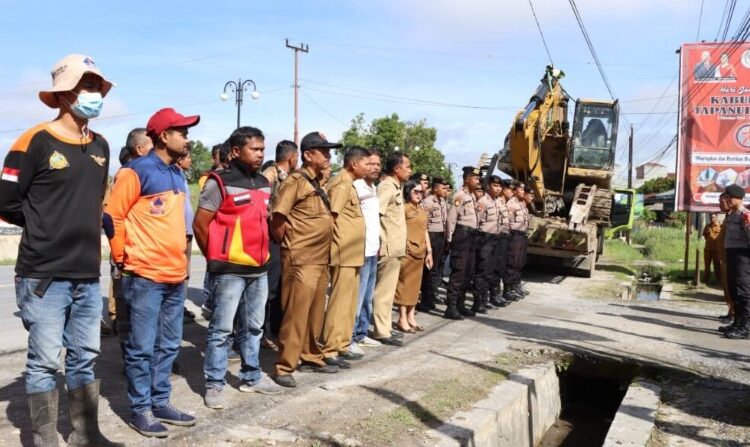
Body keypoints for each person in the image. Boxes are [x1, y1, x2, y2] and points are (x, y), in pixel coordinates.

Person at [0, 54, 122, 447]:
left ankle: (87, 435)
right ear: (65, 94)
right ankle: (46, 439)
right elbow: (6, 199)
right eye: (86, 86)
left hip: (87, 273)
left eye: (97, 87)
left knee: (85, 357)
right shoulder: (34, 140)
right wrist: (43, 225)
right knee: (44, 363)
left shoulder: (101, 145)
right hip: (44, 275)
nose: (95, 95)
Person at [107, 107, 199, 437]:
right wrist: (122, 259)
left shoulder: (176, 172)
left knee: (168, 346)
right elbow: (113, 218)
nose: (187, 138)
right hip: (144, 276)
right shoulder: (136, 171)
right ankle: (140, 409)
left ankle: (161, 401)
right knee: (141, 347)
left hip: (175, 276)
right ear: (163, 136)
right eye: (182, 132)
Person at [193, 126, 282, 409]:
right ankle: (215, 384)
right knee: (221, 330)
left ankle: (252, 376)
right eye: (254, 149)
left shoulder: (263, 183)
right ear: (235, 151)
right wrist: (216, 256)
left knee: (254, 327)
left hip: (259, 269)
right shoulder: (218, 182)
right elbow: (200, 224)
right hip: (229, 271)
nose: (261, 154)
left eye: (262, 149)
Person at [271, 131, 340, 388]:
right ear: (308, 155)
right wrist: (289, 247)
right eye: (324, 151)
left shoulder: (316, 182)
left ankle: (310, 354)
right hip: (301, 259)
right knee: (296, 314)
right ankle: (285, 365)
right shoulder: (295, 182)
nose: (328, 155)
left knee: (314, 313)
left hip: (319, 259)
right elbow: (278, 218)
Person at [320, 146, 370, 368]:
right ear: (354, 164)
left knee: (349, 302)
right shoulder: (341, 183)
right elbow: (331, 217)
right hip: (343, 251)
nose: (369, 167)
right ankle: (330, 348)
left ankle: (342, 343)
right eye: (366, 163)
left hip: (354, 252)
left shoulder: (350, 183)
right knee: (339, 302)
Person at [372, 152, 412, 345]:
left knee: (389, 291)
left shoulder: (397, 187)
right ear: (397, 169)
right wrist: (381, 242)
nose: (410, 170)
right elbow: (376, 215)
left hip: (395, 247)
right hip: (388, 247)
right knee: (383, 292)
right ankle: (381, 331)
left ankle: (385, 327)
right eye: (408, 166)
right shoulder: (387, 186)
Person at [261, 140, 299, 346]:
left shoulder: (288, 177)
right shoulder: (270, 175)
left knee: (280, 286)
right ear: (291, 157)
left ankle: (275, 329)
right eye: (297, 156)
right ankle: (262, 332)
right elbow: (265, 207)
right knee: (270, 287)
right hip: (271, 237)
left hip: (282, 236)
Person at [351, 151, 384, 353]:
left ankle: (362, 333)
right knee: (357, 296)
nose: (375, 168)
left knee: (367, 297)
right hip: (360, 250)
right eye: (370, 164)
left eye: (378, 164)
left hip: (373, 249)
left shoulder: (373, 188)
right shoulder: (357, 186)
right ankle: (351, 336)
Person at [394, 180, 433, 332]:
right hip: (408, 252)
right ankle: (402, 318)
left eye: (421, 192)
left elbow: (425, 231)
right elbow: (398, 229)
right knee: (404, 286)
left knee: (415, 287)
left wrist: (429, 251)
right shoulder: (403, 209)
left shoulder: (421, 210)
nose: (419, 194)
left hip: (420, 253)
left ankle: (411, 316)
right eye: (415, 191)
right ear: (408, 192)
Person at [443, 166, 481, 320]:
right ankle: (450, 307)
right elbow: (452, 217)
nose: (478, 181)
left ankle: (460, 304)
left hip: (471, 235)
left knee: (467, 272)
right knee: (458, 271)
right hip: (462, 235)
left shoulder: (471, 197)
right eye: (475, 178)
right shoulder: (460, 195)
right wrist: (449, 238)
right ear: (467, 179)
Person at [473, 176, 508, 313]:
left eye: (500, 187)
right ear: (488, 186)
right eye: (495, 186)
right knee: (481, 271)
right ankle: (478, 302)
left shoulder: (498, 202)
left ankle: (485, 299)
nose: (498, 189)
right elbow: (476, 222)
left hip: (496, 239)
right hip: (484, 239)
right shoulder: (483, 202)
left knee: (490, 271)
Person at [720, 184, 750, 339]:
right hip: (732, 256)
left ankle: (745, 328)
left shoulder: (745, 215)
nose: (726, 199)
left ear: (737, 198)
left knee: (743, 293)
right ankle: (737, 323)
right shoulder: (732, 215)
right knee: (734, 291)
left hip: (743, 258)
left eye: (728, 197)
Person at [419, 177, 449, 311]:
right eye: (443, 188)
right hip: (431, 236)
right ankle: (425, 299)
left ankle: (431, 296)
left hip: (440, 236)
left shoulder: (442, 201)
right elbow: (423, 224)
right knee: (428, 270)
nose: (445, 191)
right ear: (435, 188)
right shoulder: (428, 202)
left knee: (435, 269)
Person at [177, 151, 196, 322]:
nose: (190, 160)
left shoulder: (182, 176)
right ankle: (175, 307)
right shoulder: (173, 176)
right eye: (188, 157)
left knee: (186, 273)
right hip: (179, 233)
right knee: (179, 272)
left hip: (188, 233)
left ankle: (180, 305)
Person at [504, 181, 527, 302]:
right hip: (513, 235)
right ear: (515, 191)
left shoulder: (520, 204)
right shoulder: (511, 204)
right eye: (521, 190)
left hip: (521, 235)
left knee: (518, 262)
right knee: (512, 262)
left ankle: (513, 286)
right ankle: (507, 290)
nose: (523, 192)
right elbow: (506, 221)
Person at [703, 213, 722, 283]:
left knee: (717, 264)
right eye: (711, 217)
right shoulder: (707, 226)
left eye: (713, 217)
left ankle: (718, 279)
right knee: (707, 264)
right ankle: (706, 278)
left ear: (716, 217)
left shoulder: (720, 226)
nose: (712, 219)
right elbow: (705, 236)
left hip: (716, 249)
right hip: (708, 249)